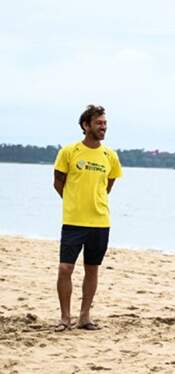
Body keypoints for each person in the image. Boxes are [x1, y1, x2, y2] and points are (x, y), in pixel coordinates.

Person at [52, 104, 123, 332]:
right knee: (65, 269)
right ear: (86, 125)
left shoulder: (109, 155)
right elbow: (58, 182)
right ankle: (65, 317)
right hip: (73, 221)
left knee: (92, 269)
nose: (103, 127)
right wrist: (74, 202)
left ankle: (84, 317)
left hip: (100, 222)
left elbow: (108, 185)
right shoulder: (69, 152)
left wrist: (94, 202)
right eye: (98, 123)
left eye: (105, 123)